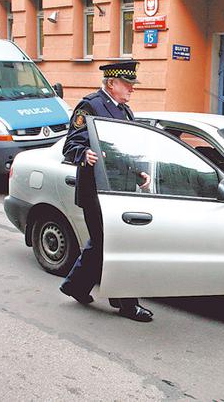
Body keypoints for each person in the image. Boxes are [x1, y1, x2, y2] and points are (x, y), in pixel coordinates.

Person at [59, 60, 154, 322]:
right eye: (128, 84)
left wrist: (139, 172)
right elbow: (71, 144)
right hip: (96, 191)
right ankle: (126, 303)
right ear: (111, 84)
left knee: (101, 243)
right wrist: (84, 153)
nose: (132, 90)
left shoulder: (125, 111)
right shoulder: (89, 106)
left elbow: (124, 151)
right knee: (114, 244)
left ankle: (75, 286)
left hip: (118, 190)